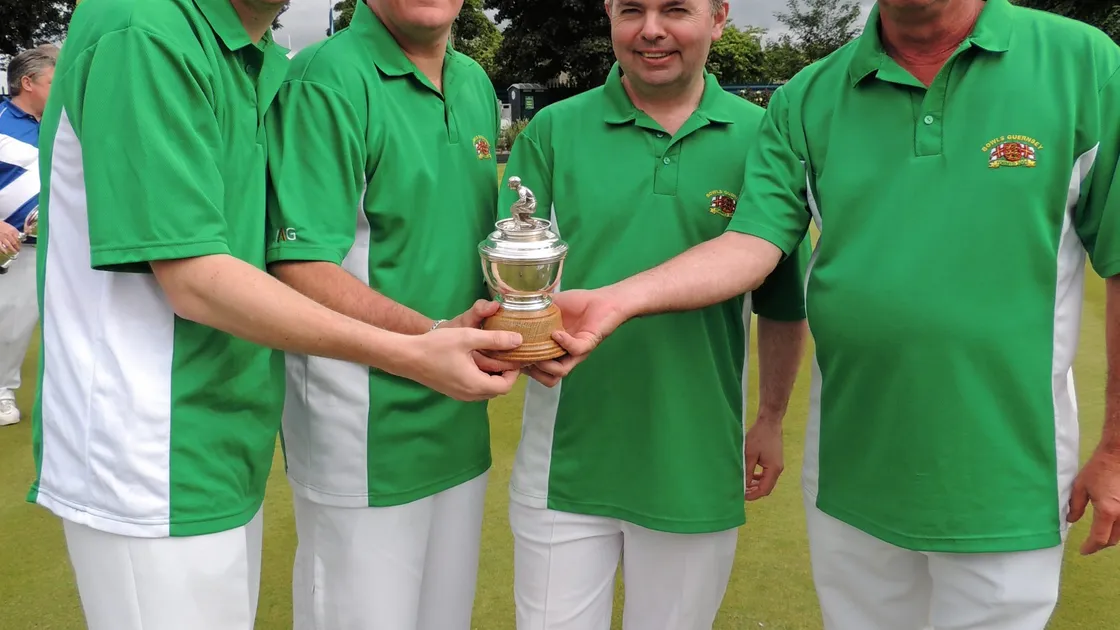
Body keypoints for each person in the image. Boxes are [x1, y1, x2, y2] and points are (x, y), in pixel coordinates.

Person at [536, 0, 1120, 628]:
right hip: (848, 474)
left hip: (1009, 477)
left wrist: (1115, 449)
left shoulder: (1084, 64)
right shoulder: (808, 96)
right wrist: (619, 300)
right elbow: (751, 244)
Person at [28, 0, 522, 628]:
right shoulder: (142, 24)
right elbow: (196, 279)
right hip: (147, 451)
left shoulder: (250, 52)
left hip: (223, 435)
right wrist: (418, 346)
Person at [497, 1, 809, 628]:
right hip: (564, 464)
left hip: (693, 461)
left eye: (676, 9)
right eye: (631, 9)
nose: (651, 29)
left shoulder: (764, 140)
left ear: (719, 18)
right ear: (609, 14)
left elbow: (782, 304)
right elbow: (517, 286)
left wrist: (771, 416)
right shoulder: (553, 129)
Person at [262, 1, 516, 628]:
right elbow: (299, 267)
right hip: (362, 425)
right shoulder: (327, 75)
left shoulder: (473, 80)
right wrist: (432, 339)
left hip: (458, 412)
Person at [0, 43, 56, 427]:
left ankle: (3, 389)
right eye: (54, 81)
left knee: (18, 322)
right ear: (27, 83)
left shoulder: (61, 125)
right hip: (5, 242)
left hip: (43, 244)